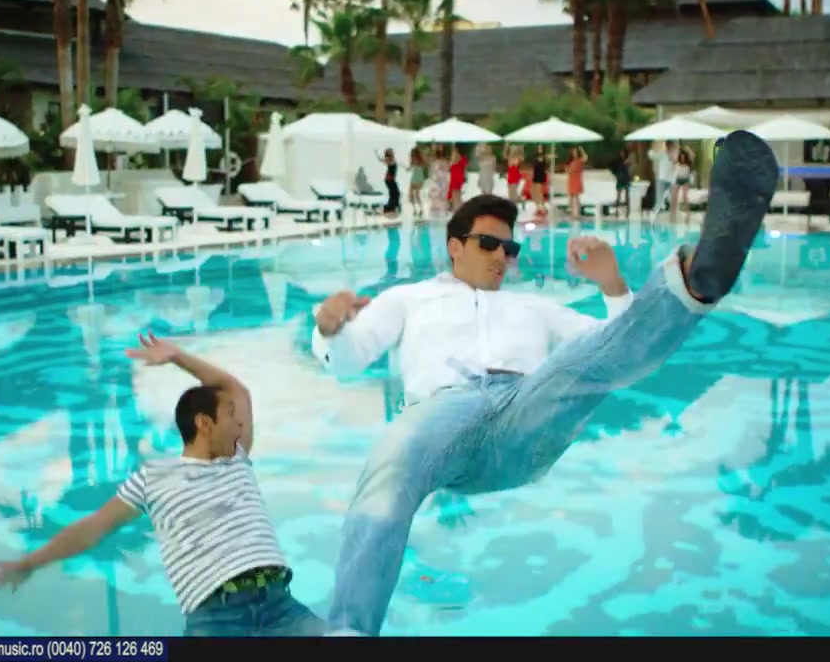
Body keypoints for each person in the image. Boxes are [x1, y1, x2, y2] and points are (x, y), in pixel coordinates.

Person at [309, 130, 779, 636]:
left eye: (509, 248)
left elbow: (615, 350)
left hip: (524, 417)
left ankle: (698, 280)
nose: (501, 256)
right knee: (390, 470)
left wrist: (611, 283)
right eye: (489, 244)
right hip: (440, 416)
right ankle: (349, 631)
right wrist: (330, 328)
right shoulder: (410, 298)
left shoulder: (534, 307)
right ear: (455, 247)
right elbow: (349, 359)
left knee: (578, 364)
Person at [0, 333, 325, 637]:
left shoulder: (236, 459)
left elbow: (236, 389)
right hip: (217, 618)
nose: (240, 425)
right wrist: (29, 563)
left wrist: (178, 357)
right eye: (230, 416)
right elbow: (93, 528)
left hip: (281, 606)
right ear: (204, 424)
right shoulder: (153, 478)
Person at [376, 148, 400, 216]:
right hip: (389, 179)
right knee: (395, 194)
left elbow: (382, 160)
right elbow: (382, 160)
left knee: (395, 194)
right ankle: (389, 208)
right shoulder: (389, 160)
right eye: (391, 152)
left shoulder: (391, 159)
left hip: (390, 179)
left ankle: (391, 208)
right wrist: (377, 154)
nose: (393, 152)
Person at [566, 146, 587, 219]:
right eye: (573, 152)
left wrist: (581, 149)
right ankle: (573, 213)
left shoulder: (579, 160)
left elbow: (585, 157)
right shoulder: (570, 161)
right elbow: (567, 170)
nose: (574, 153)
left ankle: (576, 214)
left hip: (577, 180)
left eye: (576, 152)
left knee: (576, 197)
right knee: (572, 198)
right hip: (571, 180)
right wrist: (570, 169)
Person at [407, 147, 428, 218]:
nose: (412, 155)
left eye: (413, 154)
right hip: (413, 179)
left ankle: (421, 210)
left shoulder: (421, 161)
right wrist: (408, 168)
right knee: (410, 195)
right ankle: (415, 210)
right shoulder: (412, 160)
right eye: (412, 154)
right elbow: (409, 168)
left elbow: (425, 165)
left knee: (417, 194)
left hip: (419, 179)